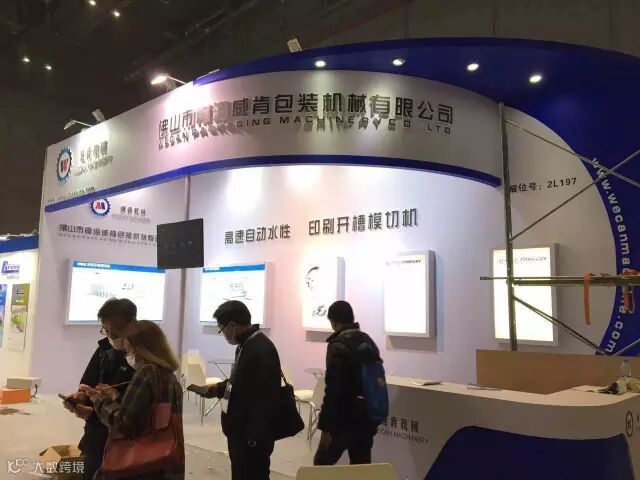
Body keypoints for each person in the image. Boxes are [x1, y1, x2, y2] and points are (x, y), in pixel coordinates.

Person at [80, 320, 185, 480]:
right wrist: (117, 396)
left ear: (140, 349)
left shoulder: (146, 372)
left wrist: (99, 400)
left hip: (141, 464)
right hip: (165, 461)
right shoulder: (168, 375)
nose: (127, 355)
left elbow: (123, 423)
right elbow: (148, 412)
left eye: (129, 349)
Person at [63, 298, 137, 480]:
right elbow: (89, 381)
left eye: (114, 330)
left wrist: (93, 414)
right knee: (90, 470)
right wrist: (81, 395)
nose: (110, 336)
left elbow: (135, 414)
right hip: (96, 437)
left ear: (131, 324)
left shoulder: (142, 360)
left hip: (125, 442)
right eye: (106, 329)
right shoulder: (104, 349)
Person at [206, 300, 281, 480]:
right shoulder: (247, 345)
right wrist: (219, 388)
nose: (224, 335)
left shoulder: (261, 349)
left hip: (251, 435)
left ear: (232, 325)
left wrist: (253, 437)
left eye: (222, 330)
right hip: (241, 431)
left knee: (253, 474)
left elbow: (264, 397)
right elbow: (242, 382)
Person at [314, 300, 383, 465]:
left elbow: (333, 391)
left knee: (320, 467)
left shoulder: (337, 346)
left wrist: (326, 428)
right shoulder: (367, 341)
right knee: (360, 469)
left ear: (333, 321)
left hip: (342, 420)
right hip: (366, 417)